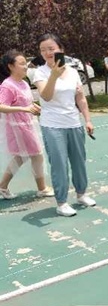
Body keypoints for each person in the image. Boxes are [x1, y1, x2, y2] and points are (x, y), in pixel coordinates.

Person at [33, 33, 96, 216]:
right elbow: (45, 95)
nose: (47, 53)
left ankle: (81, 194)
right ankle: (61, 203)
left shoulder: (73, 71)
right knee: (59, 164)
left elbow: (80, 97)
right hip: (52, 125)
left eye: (51, 49)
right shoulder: (40, 72)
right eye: (43, 50)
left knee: (79, 161)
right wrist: (53, 75)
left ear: (61, 50)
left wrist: (88, 120)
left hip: (73, 123)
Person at [0, 50, 53, 200]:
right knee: (37, 155)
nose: (25, 66)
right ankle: (42, 188)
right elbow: (1, 106)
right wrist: (24, 109)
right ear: (11, 66)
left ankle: (2, 186)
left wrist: (33, 107)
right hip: (18, 127)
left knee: (21, 157)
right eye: (21, 64)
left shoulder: (23, 83)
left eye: (26, 63)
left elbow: (26, 102)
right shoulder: (7, 85)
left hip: (28, 124)